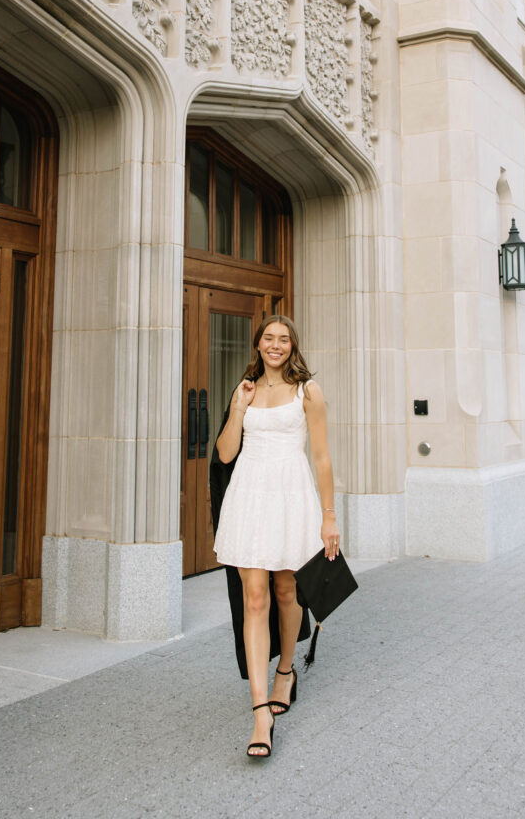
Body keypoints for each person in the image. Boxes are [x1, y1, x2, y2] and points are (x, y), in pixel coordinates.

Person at [213, 315, 341, 759]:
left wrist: (329, 517)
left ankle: (285, 671)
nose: (276, 345)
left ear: (292, 346)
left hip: (291, 496)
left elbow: (321, 458)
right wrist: (238, 409)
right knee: (254, 596)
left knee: (287, 590)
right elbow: (226, 453)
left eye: (283, 339)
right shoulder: (245, 389)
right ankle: (259, 713)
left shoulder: (308, 391)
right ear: (258, 343)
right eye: (269, 338)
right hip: (249, 496)